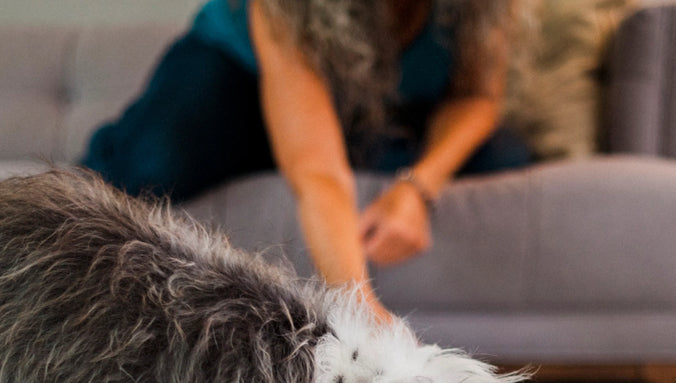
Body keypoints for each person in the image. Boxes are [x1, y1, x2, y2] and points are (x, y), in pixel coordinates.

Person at [82, 0, 534, 322]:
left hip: (366, 102)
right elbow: (318, 169)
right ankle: (263, 143)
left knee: (505, 157)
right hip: (235, 77)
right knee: (156, 162)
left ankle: (297, 144)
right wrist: (360, 311)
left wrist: (417, 187)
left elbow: (475, 96)